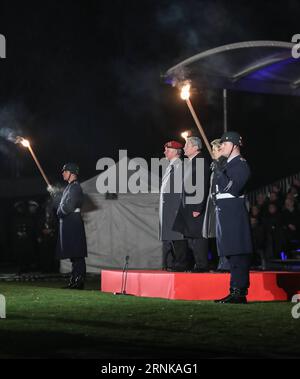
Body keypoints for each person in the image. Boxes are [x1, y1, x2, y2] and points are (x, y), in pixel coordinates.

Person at [213, 131, 253, 304]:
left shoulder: (241, 164)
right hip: (224, 212)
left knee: (238, 253)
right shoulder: (228, 163)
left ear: (235, 145)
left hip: (234, 212)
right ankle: (234, 290)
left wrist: (220, 172)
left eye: (225, 144)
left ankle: (239, 292)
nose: (222, 147)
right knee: (230, 253)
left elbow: (233, 188)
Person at [173, 136, 210, 272]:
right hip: (186, 205)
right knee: (186, 235)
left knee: (198, 236)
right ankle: (189, 263)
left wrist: (198, 207)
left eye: (187, 145)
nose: (184, 148)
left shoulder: (200, 162)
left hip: (194, 205)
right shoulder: (191, 162)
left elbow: (202, 185)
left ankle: (202, 265)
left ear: (195, 148)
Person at [57, 163, 87, 289]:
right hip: (70, 223)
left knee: (77, 254)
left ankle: (78, 281)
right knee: (74, 255)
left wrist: (60, 209)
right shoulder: (70, 187)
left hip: (73, 223)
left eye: (65, 171)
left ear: (71, 173)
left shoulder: (75, 188)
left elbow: (69, 206)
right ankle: (74, 279)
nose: (63, 173)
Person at [203, 138, 230, 272]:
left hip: (222, 203)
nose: (212, 152)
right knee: (217, 234)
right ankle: (221, 262)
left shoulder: (225, 163)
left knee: (224, 234)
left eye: (214, 149)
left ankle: (226, 264)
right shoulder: (216, 164)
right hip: (214, 202)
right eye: (212, 149)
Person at [159, 141, 186, 271]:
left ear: (175, 152)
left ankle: (180, 263)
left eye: (167, 150)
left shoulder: (179, 166)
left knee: (177, 237)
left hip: (173, 208)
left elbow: (178, 190)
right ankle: (170, 263)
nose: (165, 152)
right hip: (168, 207)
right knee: (170, 237)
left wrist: (176, 209)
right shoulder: (171, 166)